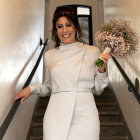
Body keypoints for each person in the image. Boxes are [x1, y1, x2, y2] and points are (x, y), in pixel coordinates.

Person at [13, 6, 110, 140]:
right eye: (59, 26)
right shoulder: (49, 55)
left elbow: (98, 89)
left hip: (86, 114)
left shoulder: (93, 51)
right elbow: (48, 87)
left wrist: (101, 69)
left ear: (76, 26)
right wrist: (30, 89)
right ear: (56, 30)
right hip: (56, 113)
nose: (64, 30)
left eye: (68, 25)